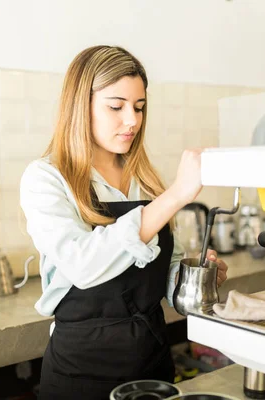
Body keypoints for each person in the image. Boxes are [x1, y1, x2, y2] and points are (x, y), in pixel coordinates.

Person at [19, 45, 229, 400]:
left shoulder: (144, 178)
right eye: (116, 107)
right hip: (82, 374)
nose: (131, 120)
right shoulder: (47, 178)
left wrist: (193, 279)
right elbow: (83, 264)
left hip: (153, 367)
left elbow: (166, 275)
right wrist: (176, 195)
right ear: (80, 105)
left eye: (139, 107)